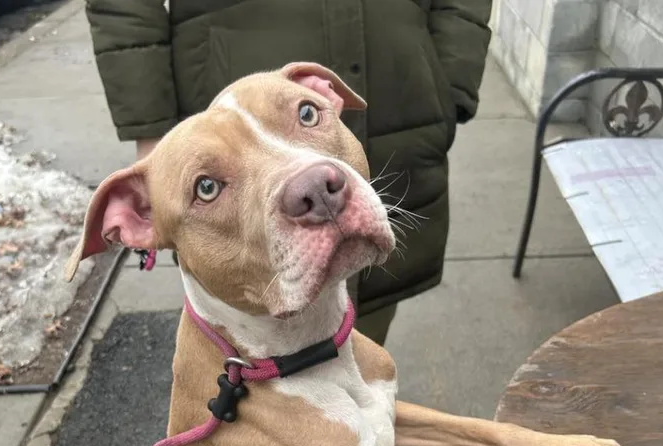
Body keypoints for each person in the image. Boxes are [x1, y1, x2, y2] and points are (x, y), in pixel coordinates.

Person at [86, 0, 493, 346]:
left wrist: (450, 81)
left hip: (398, 91)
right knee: (256, 350)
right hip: (220, 75)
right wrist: (152, 135)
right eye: (205, 188)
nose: (315, 186)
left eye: (307, 113)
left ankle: (364, 425)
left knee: (373, 312)